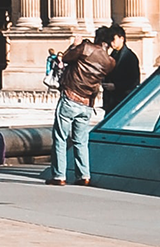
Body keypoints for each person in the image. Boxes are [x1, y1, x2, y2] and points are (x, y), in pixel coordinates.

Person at [49, 25, 115, 182]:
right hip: (87, 104)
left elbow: (64, 58)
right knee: (81, 141)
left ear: (97, 38)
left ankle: (59, 176)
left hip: (71, 97)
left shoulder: (85, 48)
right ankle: (84, 175)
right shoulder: (110, 62)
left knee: (60, 137)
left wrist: (75, 45)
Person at [102, 22, 142, 116]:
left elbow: (134, 81)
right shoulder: (113, 54)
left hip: (122, 99)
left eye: (114, 39)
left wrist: (116, 86)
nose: (112, 43)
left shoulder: (130, 57)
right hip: (111, 100)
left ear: (122, 38)